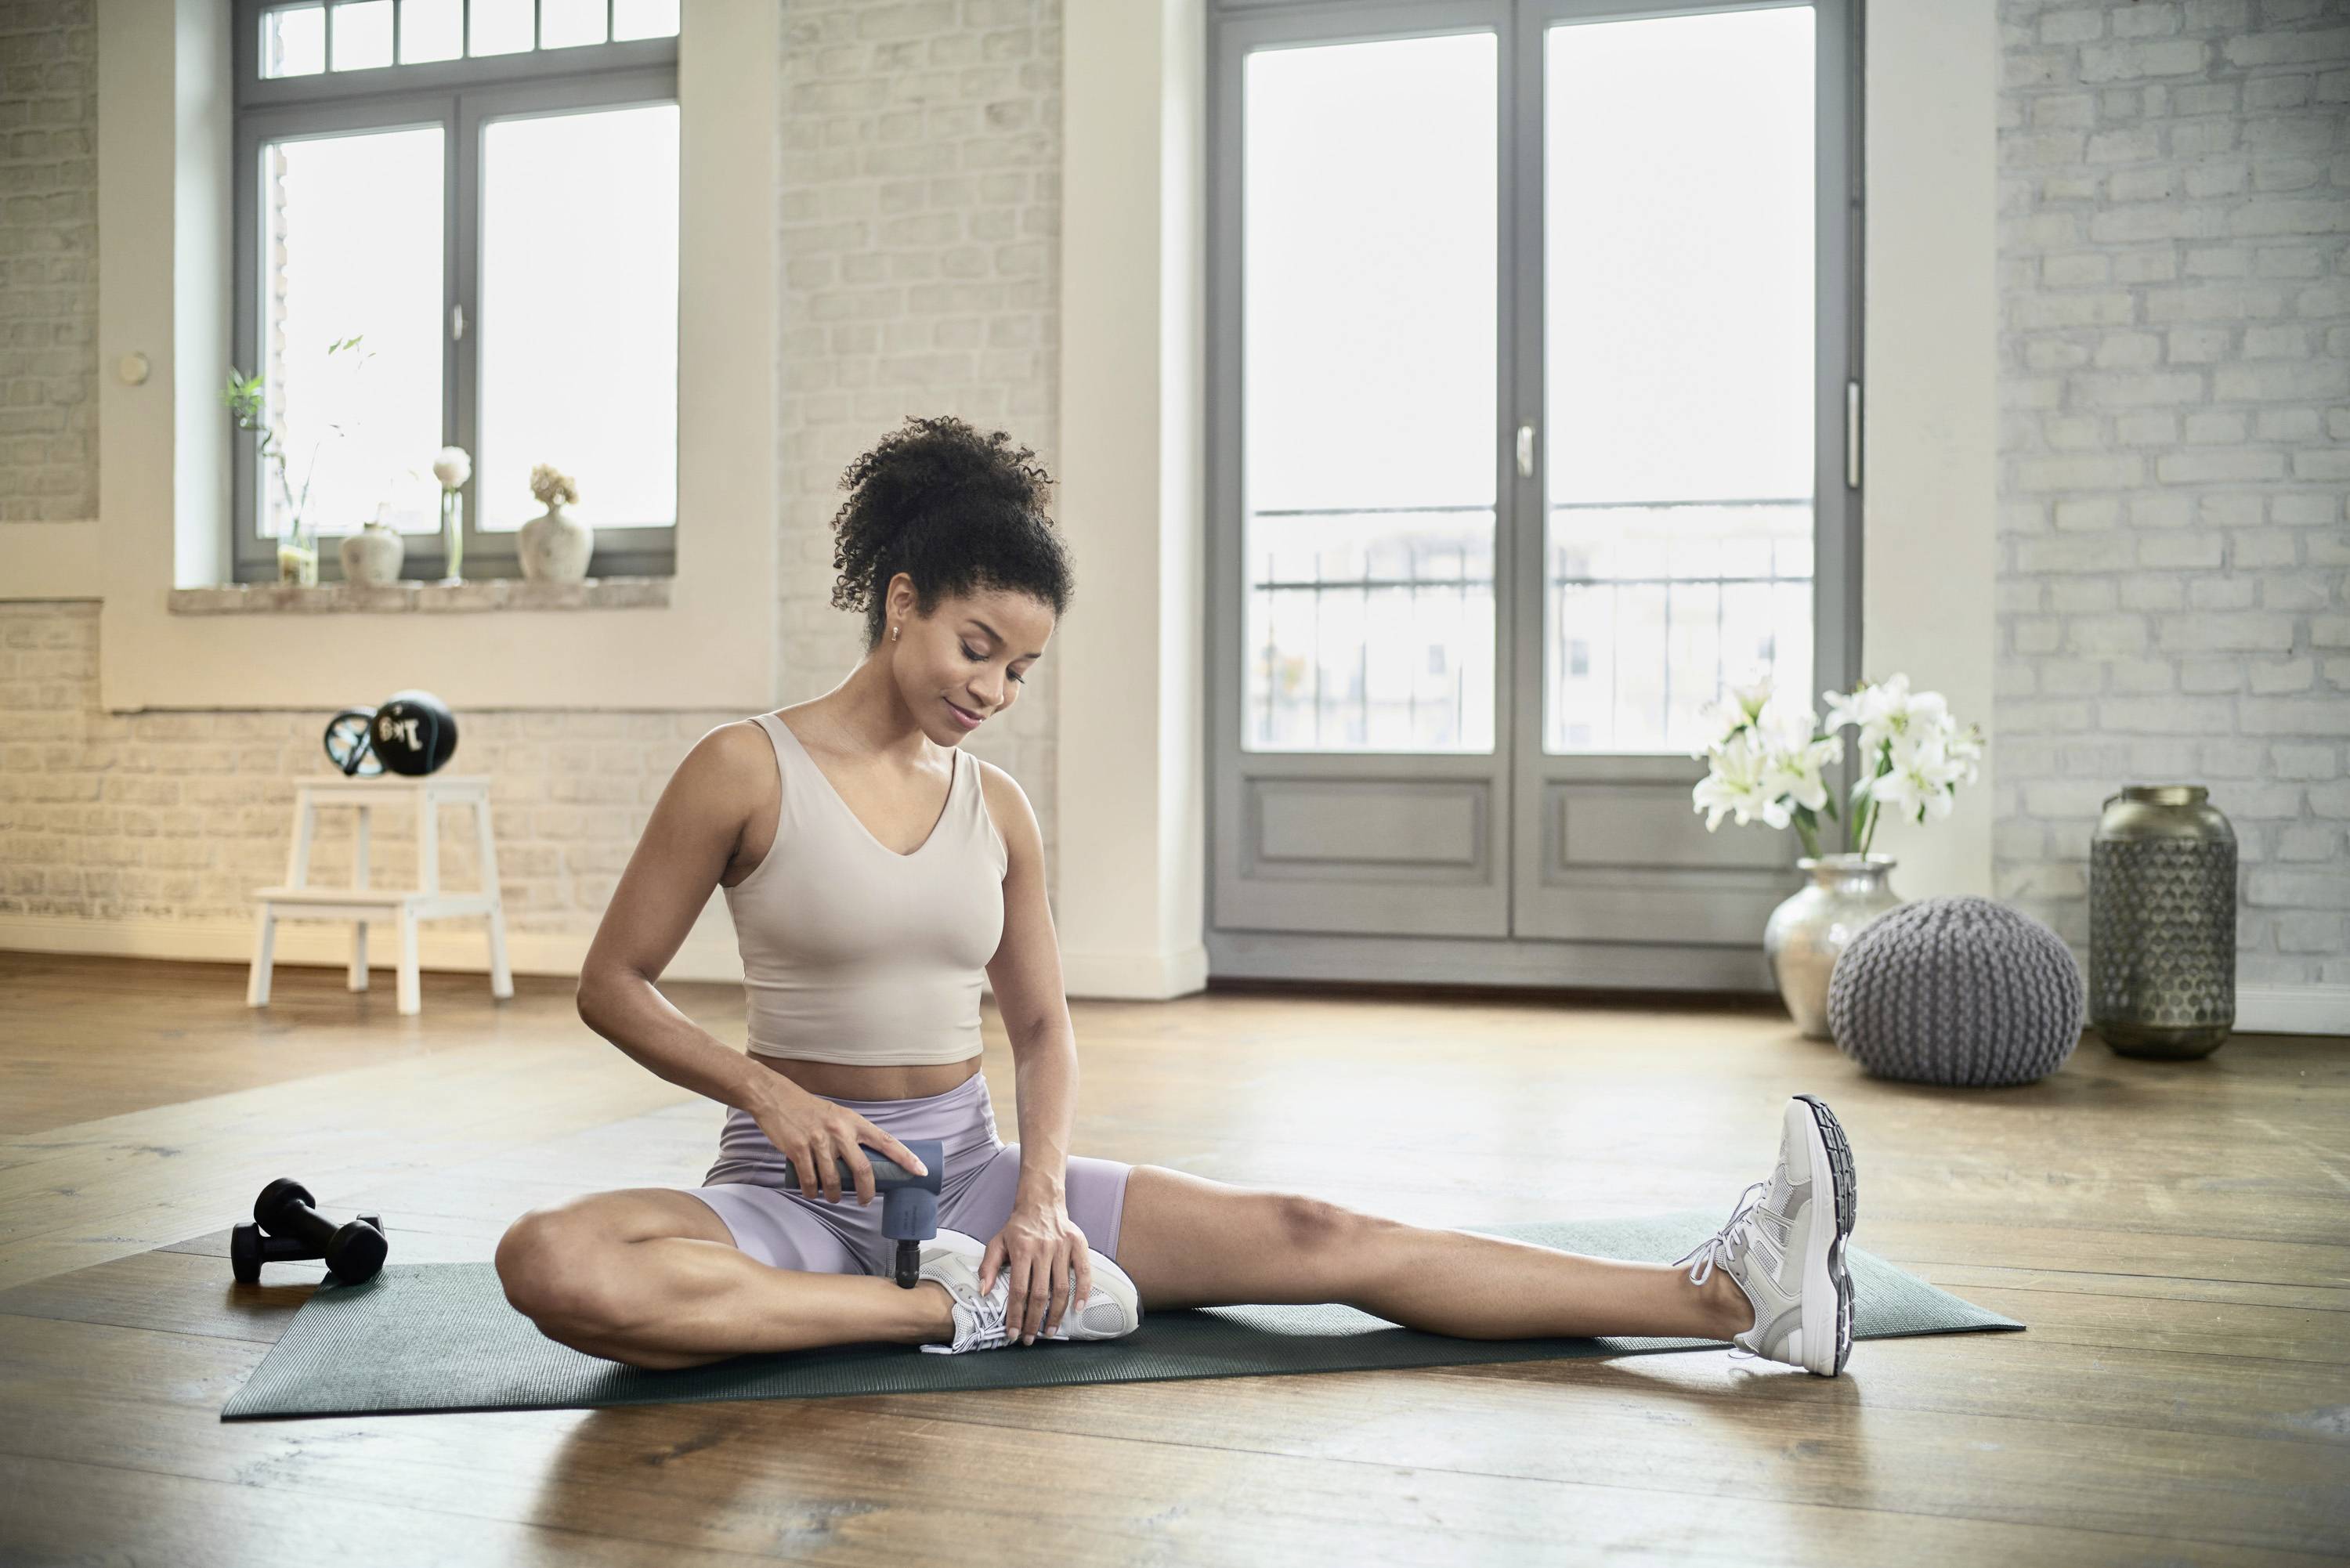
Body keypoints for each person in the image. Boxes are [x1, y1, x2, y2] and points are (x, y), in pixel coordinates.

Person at [493, 414, 1858, 1376]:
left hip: (968, 1183)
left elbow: (1042, 1032)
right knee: (553, 1261)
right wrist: (773, 1098)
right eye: (978, 646)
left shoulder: (999, 811)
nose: (994, 688)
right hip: (788, 1201)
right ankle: (936, 1320)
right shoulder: (745, 766)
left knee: (1322, 1232)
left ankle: (1729, 1297)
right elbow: (612, 982)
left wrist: (1035, 1202)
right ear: (899, 602)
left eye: (1021, 668)